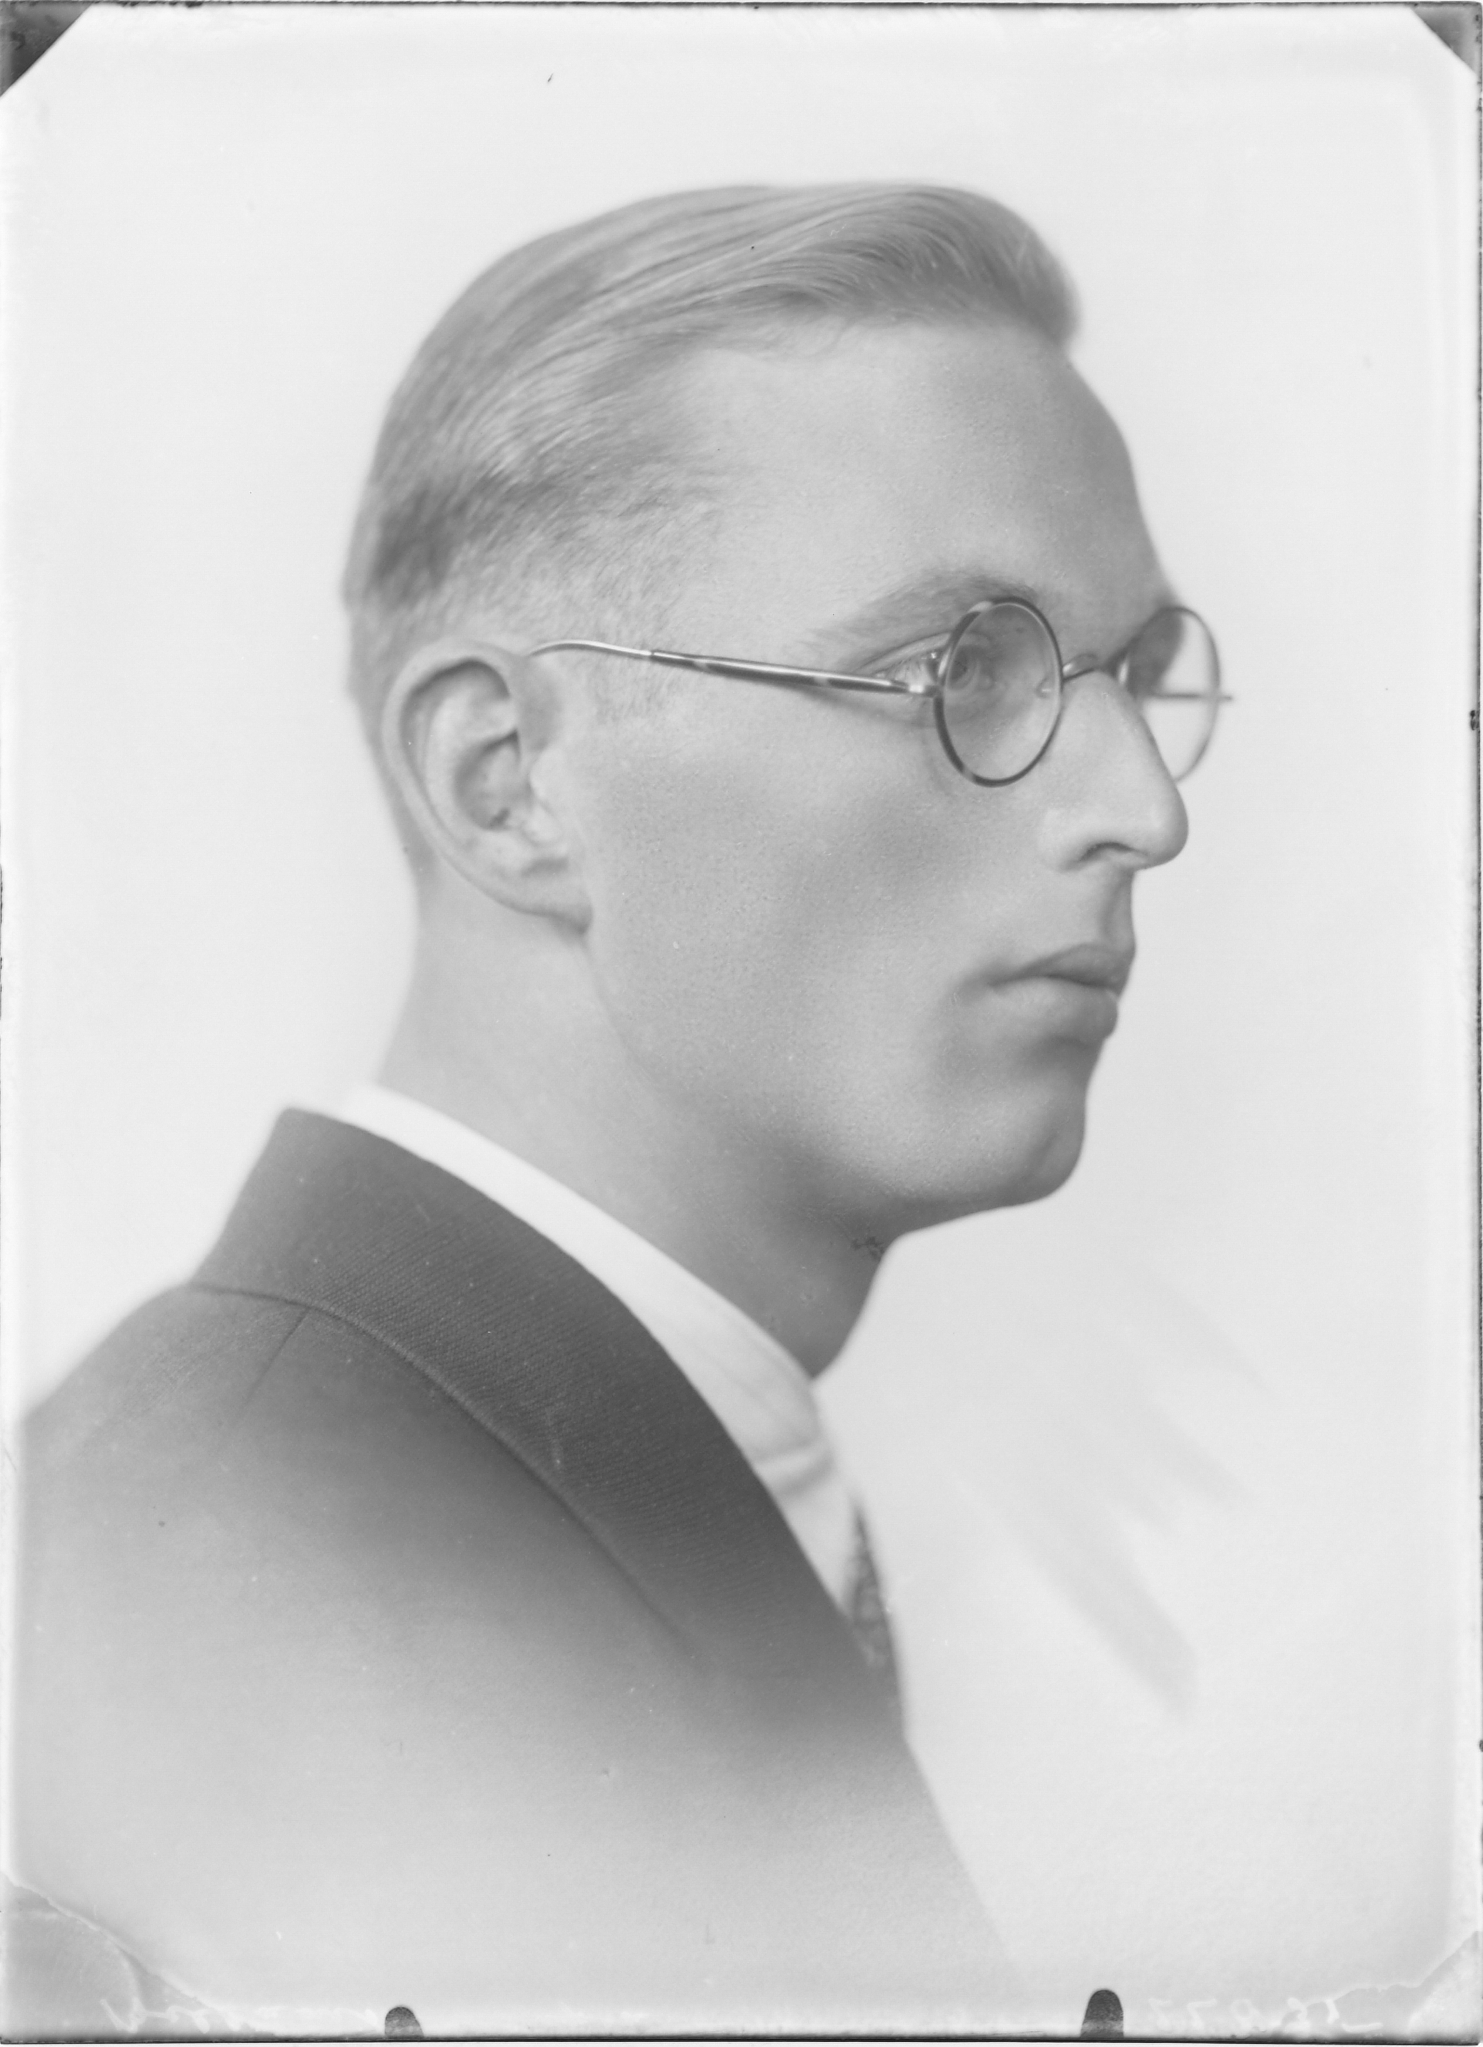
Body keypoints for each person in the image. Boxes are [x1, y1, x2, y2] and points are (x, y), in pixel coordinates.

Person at [8, 184, 1221, 2038]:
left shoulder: (481, 1467)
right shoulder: (265, 1581)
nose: (1145, 809)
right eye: (963, 671)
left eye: (1130, 675)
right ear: (507, 784)